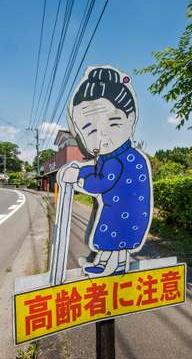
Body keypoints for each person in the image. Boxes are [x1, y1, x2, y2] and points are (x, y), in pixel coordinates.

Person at [59, 65, 153, 277]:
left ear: (131, 117)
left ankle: (114, 267)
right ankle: (103, 264)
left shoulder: (116, 159)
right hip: (121, 209)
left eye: (113, 123)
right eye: (90, 131)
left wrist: (78, 178)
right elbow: (98, 175)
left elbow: (100, 183)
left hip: (123, 212)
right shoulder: (114, 156)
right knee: (111, 240)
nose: (102, 137)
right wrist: (82, 172)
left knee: (115, 240)